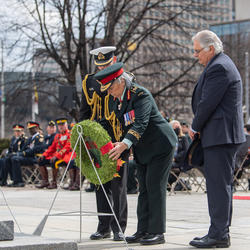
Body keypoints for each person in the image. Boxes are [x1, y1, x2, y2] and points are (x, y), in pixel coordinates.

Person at [94, 62, 177, 245]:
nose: (108, 92)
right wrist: (119, 142)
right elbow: (126, 126)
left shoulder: (141, 95)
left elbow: (140, 123)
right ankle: (143, 230)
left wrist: (124, 144)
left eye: (110, 88)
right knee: (144, 190)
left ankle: (157, 232)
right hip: (143, 148)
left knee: (155, 187)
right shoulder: (118, 101)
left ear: (120, 82)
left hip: (160, 145)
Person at [189, 30, 245, 248]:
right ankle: (219, 232)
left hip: (221, 136)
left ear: (210, 48)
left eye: (197, 51)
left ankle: (219, 234)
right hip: (221, 135)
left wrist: (195, 126)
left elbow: (207, 103)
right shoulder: (220, 64)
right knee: (220, 186)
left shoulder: (219, 67)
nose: (195, 55)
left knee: (218, 187)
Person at [80, 46, 130, 241]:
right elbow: (85, 110)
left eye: (107, 65)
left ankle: (119, 227)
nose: (104, 70)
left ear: (115, 61)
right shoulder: (89, 82)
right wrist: (82, 132)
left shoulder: (126, 79)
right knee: (100, 183)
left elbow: (129, 111)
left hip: (117, 138)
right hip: (97, 140)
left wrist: (127, 141)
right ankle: (103, 226)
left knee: (118, 184)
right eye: (100, 66)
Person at [37, 118, 77, 190]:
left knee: (54, 161)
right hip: (58, 155)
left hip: (66, 156)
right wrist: (44, 155)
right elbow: (52, 148)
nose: (61, 127)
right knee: (41, 161)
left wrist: (56, 156)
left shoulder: (70, 134)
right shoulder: (57, 136)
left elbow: (67, 147)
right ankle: (45, 181)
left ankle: (54, 182)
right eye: (59, 125)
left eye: (63, 125)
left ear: (66, 125)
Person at [8, 121, 45, 187]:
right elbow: (23, 149)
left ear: (36, 128)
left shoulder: (39, 138)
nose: (30, 130)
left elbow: (34, 150)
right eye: (29, 129)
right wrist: (17, 153)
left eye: (32, 129)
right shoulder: (30, 138)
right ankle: (14, 180)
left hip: (35, 158)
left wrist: (21, 154)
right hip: (28, 157)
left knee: (16, 159)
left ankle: (19, 181)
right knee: (11, 157)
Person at [168, 120, 190, 191]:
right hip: (170, 160)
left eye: (178, 126)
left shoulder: (183, 138)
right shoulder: (169, 138)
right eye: (175, 126)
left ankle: (167, 184)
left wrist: (175, 158)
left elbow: (185, 151)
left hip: (180, 161)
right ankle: (167, 184)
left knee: (166, 165)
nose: (177, 128)